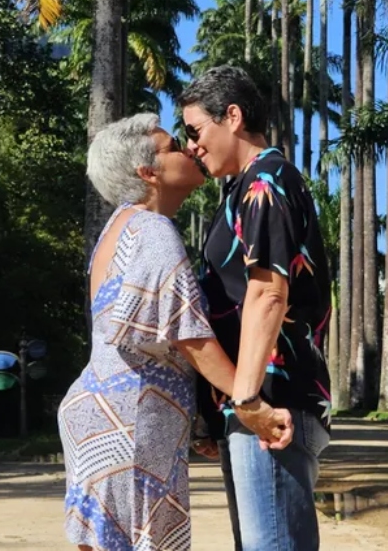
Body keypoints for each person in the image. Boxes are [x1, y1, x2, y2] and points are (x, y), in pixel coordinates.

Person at [59, 113, 294, 551]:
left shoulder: (117, 229)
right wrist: (249, 403)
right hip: (131, 419)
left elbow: (154, 338)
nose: (189, 150)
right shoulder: (152, 230)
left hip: (105, 411)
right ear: (147, 172)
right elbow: (188, 335)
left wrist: (200, 420)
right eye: (172, 147)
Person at [181, 66, 333, 550]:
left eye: (195, 131)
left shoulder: (266, 181)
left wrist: (246, 401)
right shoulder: (241, 189)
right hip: (254, 404)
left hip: (271, 401)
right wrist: (218, 411)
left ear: (233, 116)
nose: (192, 147)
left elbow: (267, 292)